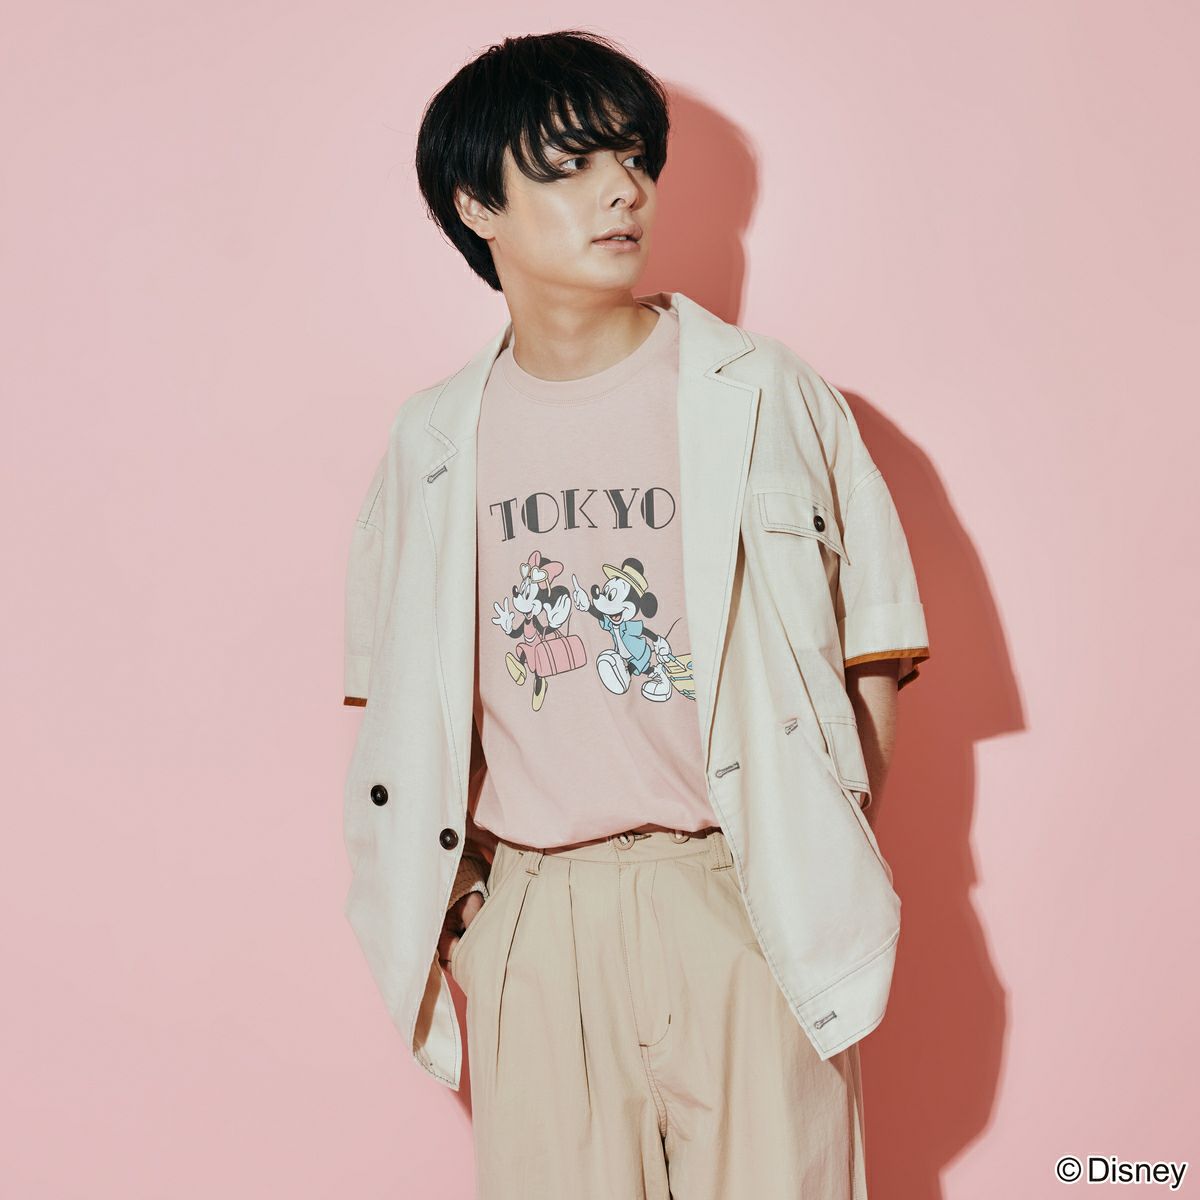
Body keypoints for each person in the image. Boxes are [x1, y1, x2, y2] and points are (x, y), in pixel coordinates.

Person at [342, 28, 930, 1199]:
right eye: (571, 164)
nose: (624, 189)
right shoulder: (432, 439)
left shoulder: (766, 392)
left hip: (740, 890)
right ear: (476, 204)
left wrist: (822, 845)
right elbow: (399, 707)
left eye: (632, 157)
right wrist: (474, 919)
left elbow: (873, 645)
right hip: (534, 915)